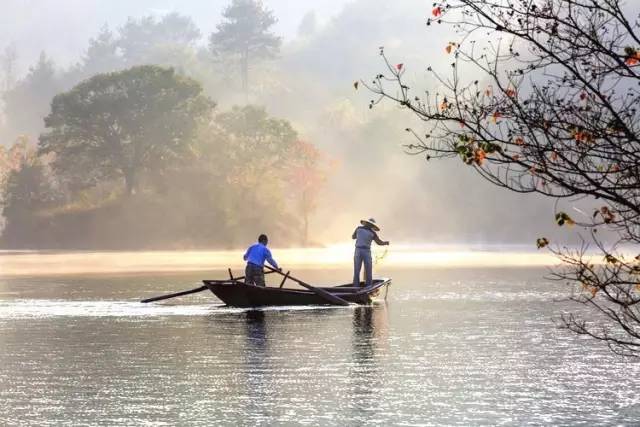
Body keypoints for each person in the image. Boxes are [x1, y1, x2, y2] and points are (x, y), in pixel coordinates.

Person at [352, 218, 389, 287]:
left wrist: (385, 243)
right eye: (368, 224)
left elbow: (379, 242)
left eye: (370, 224)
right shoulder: (360, 229)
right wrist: (385, 243)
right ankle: (356, 287)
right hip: (360, 250)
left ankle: (366, 286)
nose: (369, 225)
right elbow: (353, 237)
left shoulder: (370, 232)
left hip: (363, 251)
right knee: (358, 270)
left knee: (367, 269)